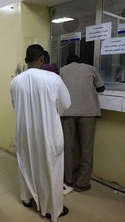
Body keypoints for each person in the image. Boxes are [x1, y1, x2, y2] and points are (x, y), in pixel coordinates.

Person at [11, 44, 71, 222]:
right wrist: (51, 113)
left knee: (26, 163)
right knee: (50, 168)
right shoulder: (53, 78)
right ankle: (53, 209)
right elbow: (66, 104)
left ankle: (27, 198)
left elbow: (15, 105)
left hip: (24, 131)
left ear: (26, 60)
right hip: (48, 133)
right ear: (42, 59)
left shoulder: (15, 81)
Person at [59, 54, 105, 192]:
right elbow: (101, 88)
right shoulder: (91, 68)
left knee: (68, 147)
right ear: (80, 61)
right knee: (86, 149)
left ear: (67, 62)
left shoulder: (62, 70)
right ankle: (82, 183)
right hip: (88, 113)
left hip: (67, 113)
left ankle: (68, 179)